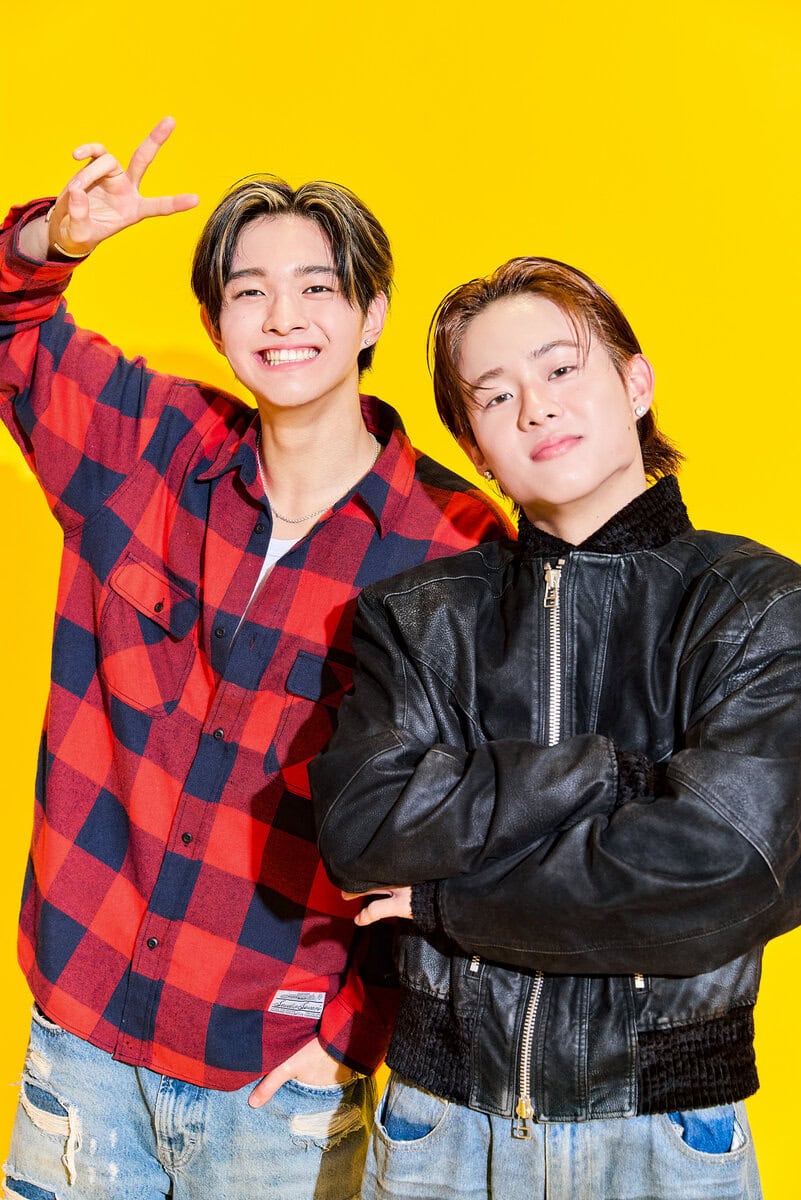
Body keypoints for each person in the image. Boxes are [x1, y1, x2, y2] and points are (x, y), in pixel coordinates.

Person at [0, 118, 509, 1200]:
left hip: (277, 1083)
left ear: (372, 312)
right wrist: (54, 239)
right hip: (80, 1041)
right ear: (214, 321)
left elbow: (474, 828)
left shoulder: (457, 547)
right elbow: (11, 320)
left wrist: (353, 1031)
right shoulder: (149, 446)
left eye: (318, 288)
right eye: (249, 291)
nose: (283, 318)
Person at [311, 255, 801, 1199]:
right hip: (437, 1129)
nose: (535, 407)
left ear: (635, 382)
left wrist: (451, 908)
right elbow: (363, 829)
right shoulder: (416, 617)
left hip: (663, 1134)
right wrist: (606, 775)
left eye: (560, 368)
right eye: (494, 396)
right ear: (477, 450)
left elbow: (723, 869)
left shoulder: (760, 606)